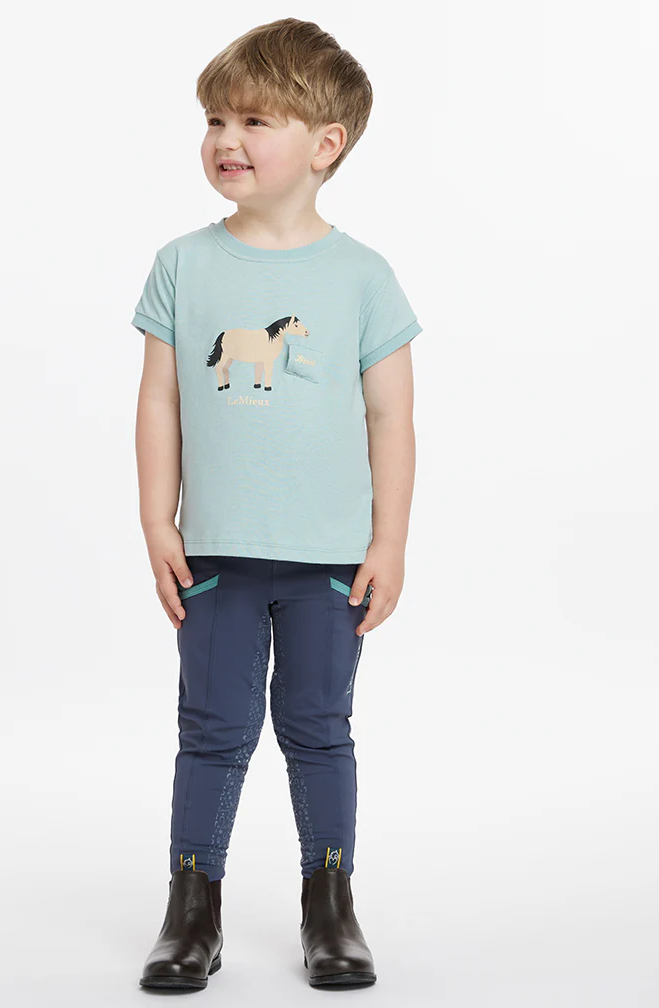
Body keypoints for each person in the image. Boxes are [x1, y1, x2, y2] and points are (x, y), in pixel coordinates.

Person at [130, 17, 423, 991]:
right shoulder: (184, 264)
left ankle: (329, 905)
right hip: (217, 552)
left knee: (318, 727)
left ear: (325, 143)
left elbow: (390, 416)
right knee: (211, 729)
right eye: (216, 118)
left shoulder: (363, 276)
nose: (226, 138)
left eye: (255, 120)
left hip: (329, 557)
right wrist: (158, 520)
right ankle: (192, 909)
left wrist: (388, 541)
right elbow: (162, 399)